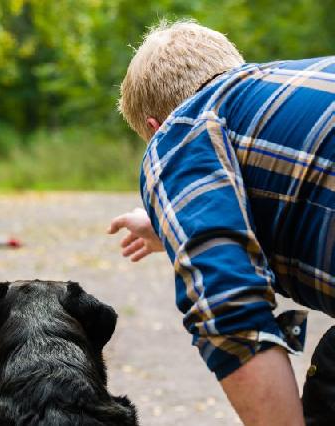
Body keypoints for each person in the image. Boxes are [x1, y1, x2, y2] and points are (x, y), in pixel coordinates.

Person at [108, 20, 335, 426]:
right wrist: (166, 224)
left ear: (153, 128)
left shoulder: (181, 130)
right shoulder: (297, 81)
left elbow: (228, 304)